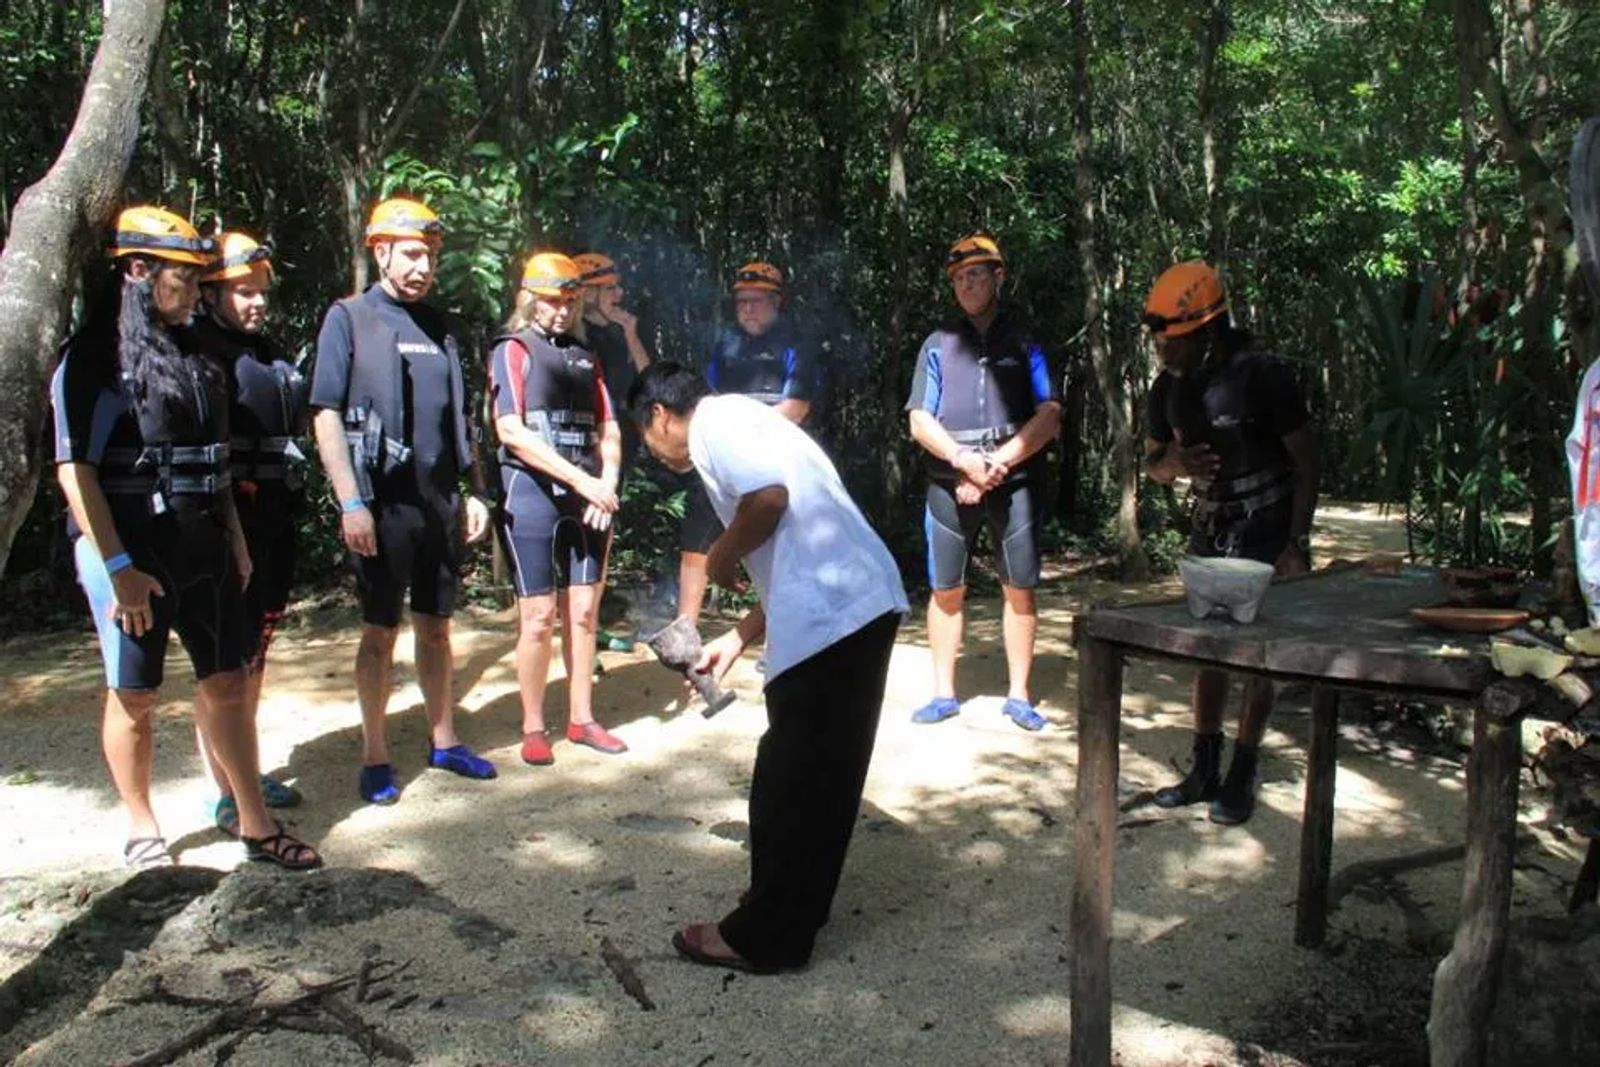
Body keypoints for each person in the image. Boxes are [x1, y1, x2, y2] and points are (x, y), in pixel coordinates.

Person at [51, 205, 320, 869]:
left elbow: (215, 456)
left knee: (228, 679)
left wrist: (233, 536)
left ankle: (254, 822)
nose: (199, 292)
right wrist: (118, 568)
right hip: (130, 555)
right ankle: (142, 824)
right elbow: (74, 471)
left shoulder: (197, 353)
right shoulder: (89, 360)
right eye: (186, 278)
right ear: (138, 272)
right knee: (137, 692)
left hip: (201, 543)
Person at [628, 362, 907, 974]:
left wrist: (722, 554)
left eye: (645, 438)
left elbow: (771, 503)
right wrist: (737, 636)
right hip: (854, 604)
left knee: (791, 780)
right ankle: (788, 908)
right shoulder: (747, 424)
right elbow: (797, 540)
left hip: (837, 616)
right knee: (819, 779)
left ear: (657, 415)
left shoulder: (716, 422)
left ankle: (765, 935)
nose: (653, 452)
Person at [309, 196, 495, 805]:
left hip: (437, 504)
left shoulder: (440, 326)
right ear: (381, 250)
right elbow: (326, 412)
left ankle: (443, 740)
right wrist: (349, 502)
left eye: (431, 257)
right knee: (379, 633)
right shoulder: (349, 318)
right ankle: (376, 755)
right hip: (380, 506)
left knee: (437, 629)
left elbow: (460, 420)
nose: (423, 267)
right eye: (412, 254)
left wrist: (473, 492)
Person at [1141, 260, 1320, 825]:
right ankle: (1203, 767)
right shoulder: (1167, 390)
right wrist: (1172, 461)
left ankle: (1242, 772)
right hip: (1210, 528)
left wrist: (1296, 541)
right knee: (1206, 652)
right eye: (1160, 341)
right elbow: (1152, 467)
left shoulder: (1263, 377)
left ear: (1208, 329)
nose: (1164, 352)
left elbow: (1309, 463)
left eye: (1173, 340)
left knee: (1257, 658)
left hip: (1268, 527)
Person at [905, 232, 1061, 732]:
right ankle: (944, 693)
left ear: (999, 277)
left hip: (1015, 479)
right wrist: (963, 461)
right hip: (948, 481)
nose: (967, 284)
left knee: (1019, 588)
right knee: (946, 588)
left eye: (976, 274)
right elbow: (918, 420)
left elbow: (1050, 413)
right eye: (958, 278)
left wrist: (997, 464)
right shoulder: (938, 344)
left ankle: (1018, 695)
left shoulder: (1028, 340)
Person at [181, 232, 308, 832]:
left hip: (275, 524)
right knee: (223, 666)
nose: (256, 303)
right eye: (242, 292)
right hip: (226, 530)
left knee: (254, 658)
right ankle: (226, 788)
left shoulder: (268, 352)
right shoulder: (200, 353)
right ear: (210, 292)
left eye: (261, 292)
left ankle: (245, 772)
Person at [489, 252, 628, 765]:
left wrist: (606, 480)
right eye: (551, 300)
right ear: (529, 298)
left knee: (586, 611)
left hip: (588, 493)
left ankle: (582, 718)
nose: (562, 310)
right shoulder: (513, 348)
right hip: (531, 493)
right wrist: (582, 481)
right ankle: (531, 726)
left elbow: (608, 426)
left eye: (570, 300)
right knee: (539, 616)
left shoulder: (586, 356)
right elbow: (510, 431)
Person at [677, 261, 817, 626]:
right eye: (742, 302)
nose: (748, 309)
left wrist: (744, 434)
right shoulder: (725, 344)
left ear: (777, 301)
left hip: (777, 457)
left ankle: (780, 635)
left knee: (783, 546)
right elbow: (704, 398)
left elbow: (797, 407)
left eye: (756, 301)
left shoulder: (797, 344)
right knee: (698, 537)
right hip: (724, 457)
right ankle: (685, 629)